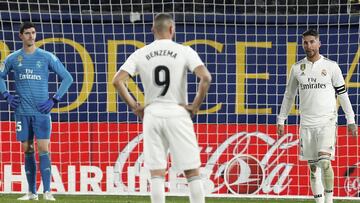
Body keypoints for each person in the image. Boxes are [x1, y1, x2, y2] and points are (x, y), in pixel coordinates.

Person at [112, 13, 211, 203]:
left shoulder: (141, 53)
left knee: (156, 173)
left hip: (152, 114)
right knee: (192, 172)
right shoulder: (184, 51)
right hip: (177, 113)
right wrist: (194, 107)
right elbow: (205, 78)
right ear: (172, 29)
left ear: (153, 30)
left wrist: (135, 107)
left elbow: (117, 81)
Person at [277, 28, 358, 203]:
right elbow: (289, 96)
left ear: (319, 43)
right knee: (313, 168)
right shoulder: (297, 68)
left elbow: (343, 94)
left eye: (312, 41)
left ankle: (329, 201)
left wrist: (350, 120)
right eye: (305, 42)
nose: (309, 45)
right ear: (302, 44)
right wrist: (281, 119)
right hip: (306, 124)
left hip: (327, 122)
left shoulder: (331, 66)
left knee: (325, 162)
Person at [0, 22, 73, 201]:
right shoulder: (12, 58)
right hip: (22, 112)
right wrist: (6, 95)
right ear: (21, 36)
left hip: (41, 112)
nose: (31, 36)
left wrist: (54, 99)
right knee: (27, 149)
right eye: (27, 33)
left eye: (33, 33)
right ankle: (31, 192)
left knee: (43, 148)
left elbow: (67, 78)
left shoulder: (46, 57)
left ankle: (47, 191)